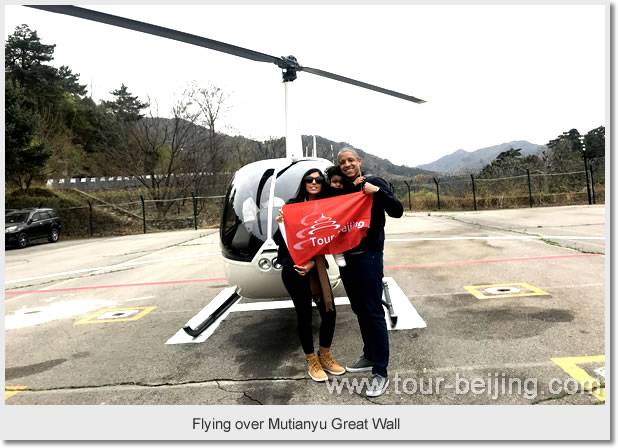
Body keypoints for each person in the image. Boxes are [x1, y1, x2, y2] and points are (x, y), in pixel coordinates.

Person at [336, 147, 404, 397]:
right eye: (342, 162)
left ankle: (380, 371)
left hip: (369, 256)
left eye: (350, 160)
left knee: (373, 311)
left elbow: (397, 210)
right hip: (347, 259)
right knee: (359, 309)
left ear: (359, 161)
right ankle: (368, 355)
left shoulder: (373, 182)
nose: (347, 164)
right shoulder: (340, 190)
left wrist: (377, 192)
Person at [273, 168, 345, 382]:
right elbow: (280, 240)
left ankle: (326, 355)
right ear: (304, 182)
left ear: (323, 184)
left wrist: (312, 262)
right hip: (294, 268)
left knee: (329, 312)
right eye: (309, 179)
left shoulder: (326, 207)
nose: (314, 182)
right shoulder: (292, 205)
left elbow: (329, 238)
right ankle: (311, 360)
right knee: (304, 314)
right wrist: (280, 223)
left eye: (318, 180)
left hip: (317, 266)